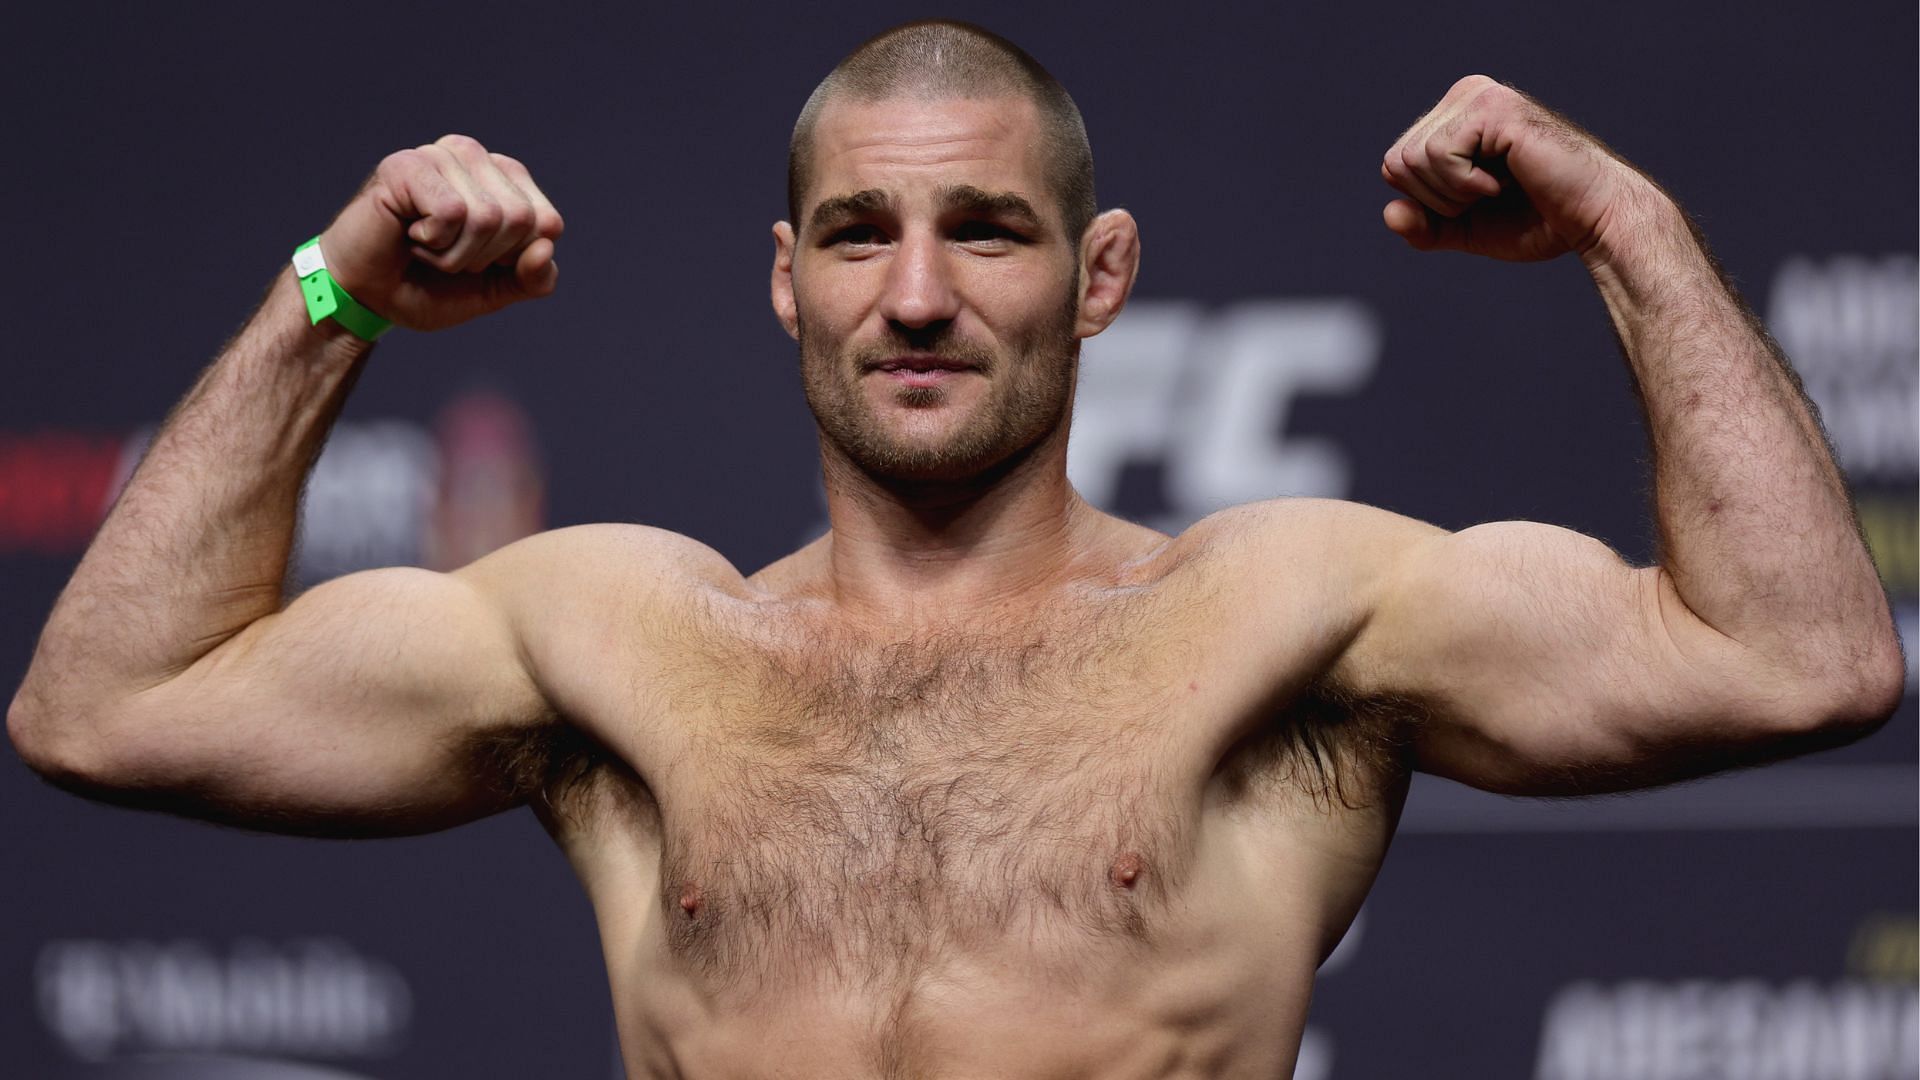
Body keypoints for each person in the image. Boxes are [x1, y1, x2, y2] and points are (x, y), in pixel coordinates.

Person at [6, 19, 1903, 1078]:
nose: (915, 297)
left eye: (986, 230)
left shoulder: (1288, 616)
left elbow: (1800, 660)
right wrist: (333, 295)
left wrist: (1629, 226)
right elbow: (104, 708)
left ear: (1102, 280)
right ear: (786, 283)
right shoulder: (613, 643)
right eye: (856, 237)